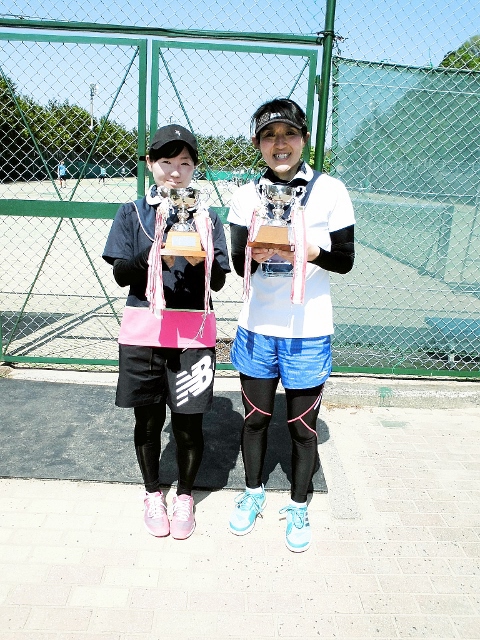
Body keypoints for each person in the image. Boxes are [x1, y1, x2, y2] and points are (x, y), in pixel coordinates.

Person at [227, 98, 355, 552]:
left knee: (302, 428)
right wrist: (255, 255)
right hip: (258, 329)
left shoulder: (331, 190)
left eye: (288, 134)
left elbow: (346, 260)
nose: (279, 143)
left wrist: (308, 250)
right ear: (258, 143)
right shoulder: (245, 196)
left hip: (308, 331)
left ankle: (299, 505)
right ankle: (253, 492)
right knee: (255, 421)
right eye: (269, 135)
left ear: (303, 139)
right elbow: (238, 264)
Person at [102, 124, 231, 540]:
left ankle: (185, 496)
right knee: (147, 421)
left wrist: (200, 257)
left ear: (195, 168)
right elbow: (121, 274)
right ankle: (152, 493)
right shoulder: (132, 213)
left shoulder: (208, 217)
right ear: (150, 163)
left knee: (188, 426)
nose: (175, 171)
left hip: (192, 335)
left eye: (185, 163)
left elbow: (218, 284)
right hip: (144, 332)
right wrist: (153, 251)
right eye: (166, 162)